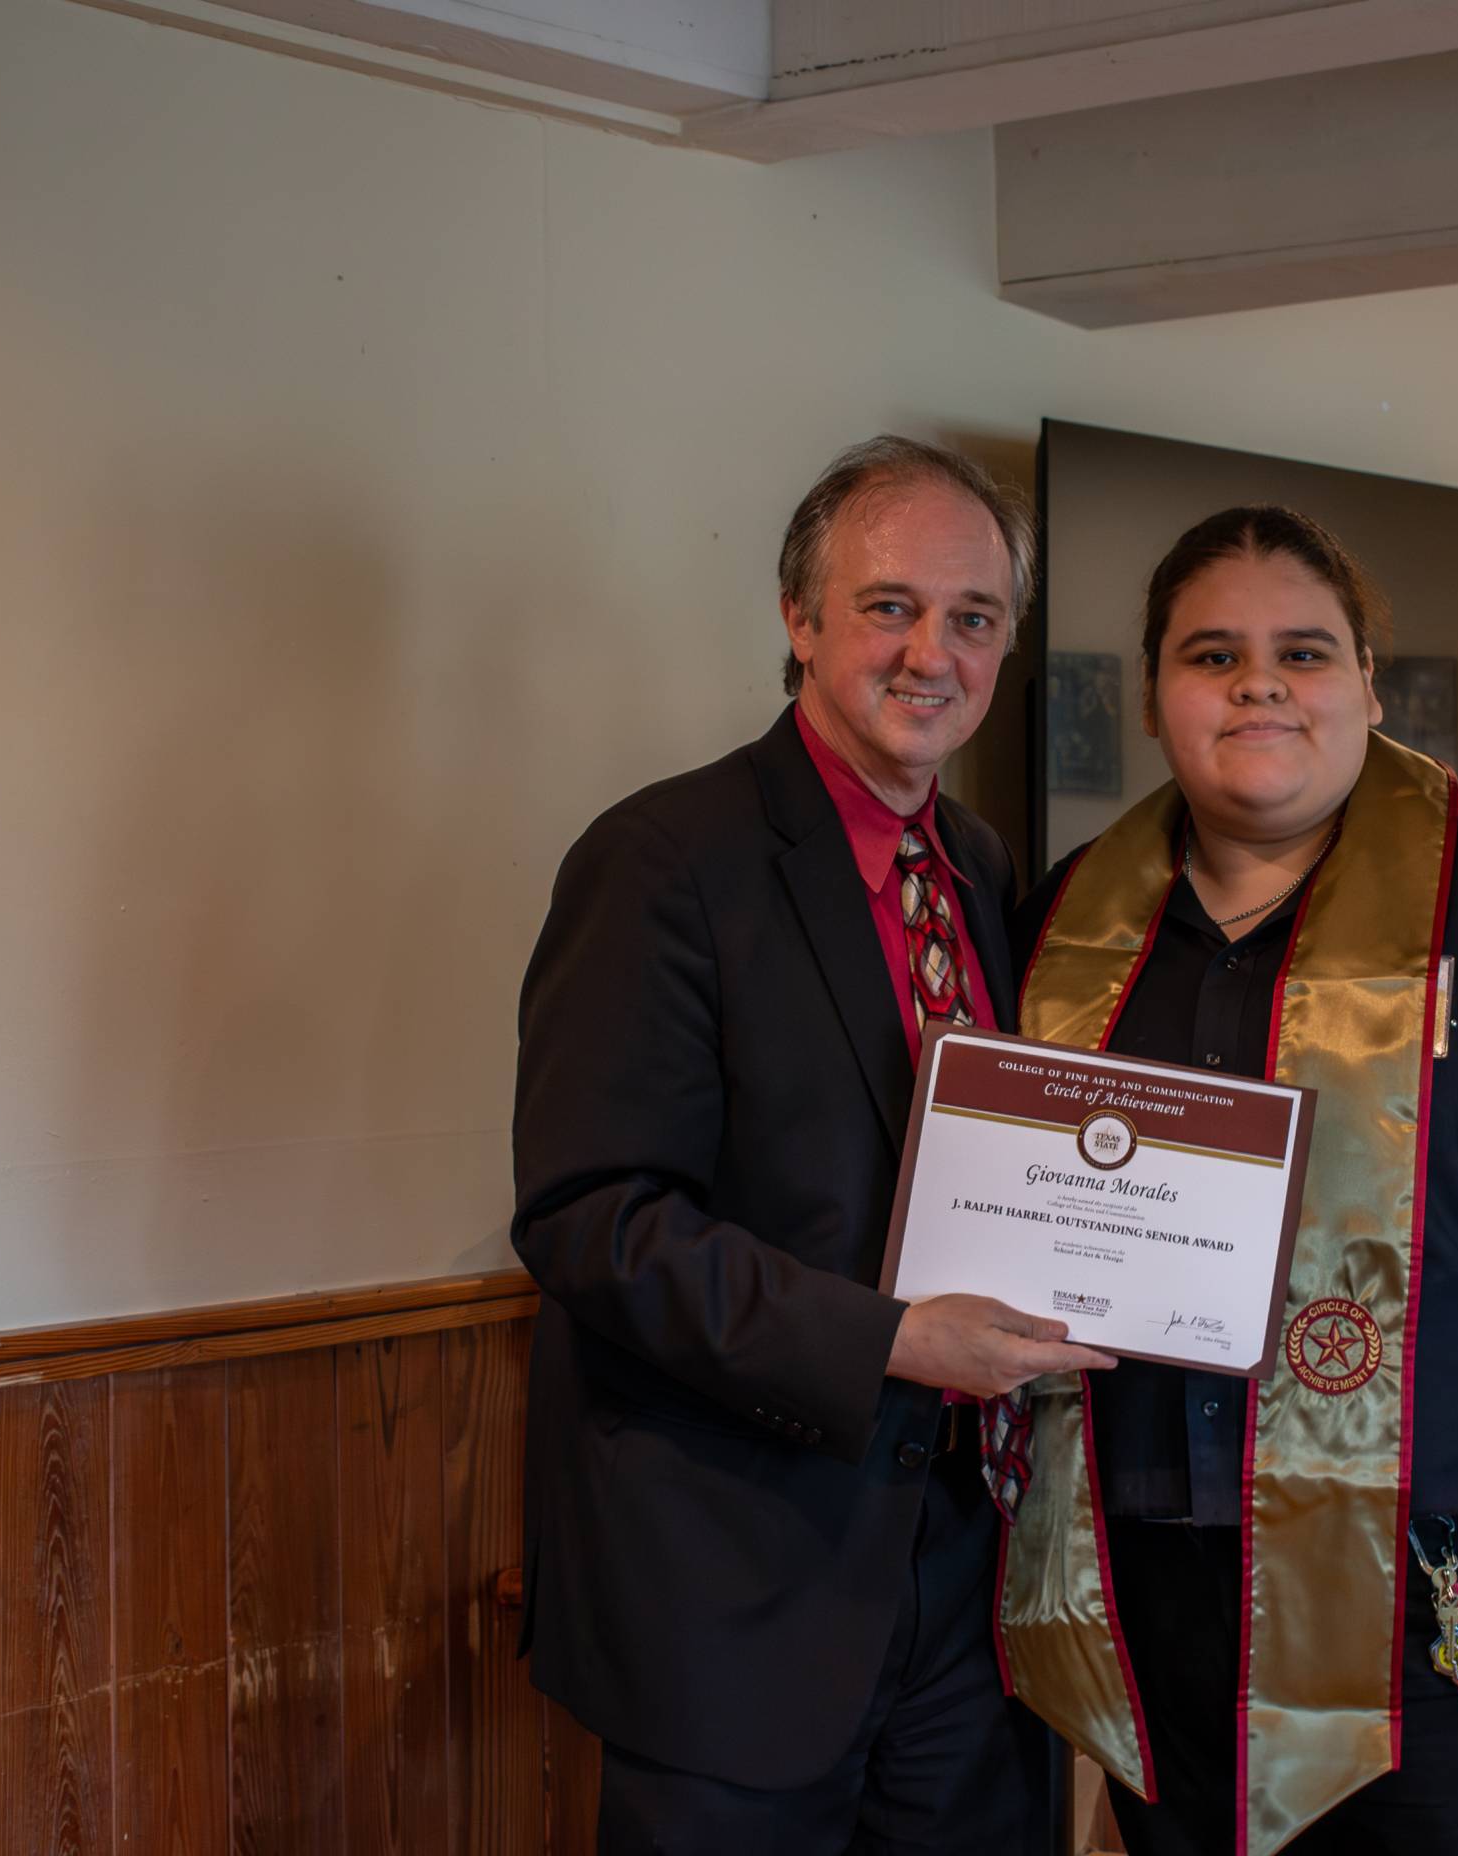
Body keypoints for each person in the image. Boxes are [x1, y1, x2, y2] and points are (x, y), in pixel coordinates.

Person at [1000, 507, 1458, 1855]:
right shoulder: (1068, 921)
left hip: (1448, 1574)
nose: (1260, 683)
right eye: (1211, 653)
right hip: (1162, 1568)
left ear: (1370, 688)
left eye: (1305, 652)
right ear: (1156, 695)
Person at [509, 436, 1110, 1855]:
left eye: (974, 619)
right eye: (889, 605)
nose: (932, 653)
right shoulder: (662, 859)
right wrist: (892, 1341)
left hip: (969, 1584)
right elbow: (594, 1218)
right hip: (739, 1597)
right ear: (799, 617)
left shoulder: (981, 868)